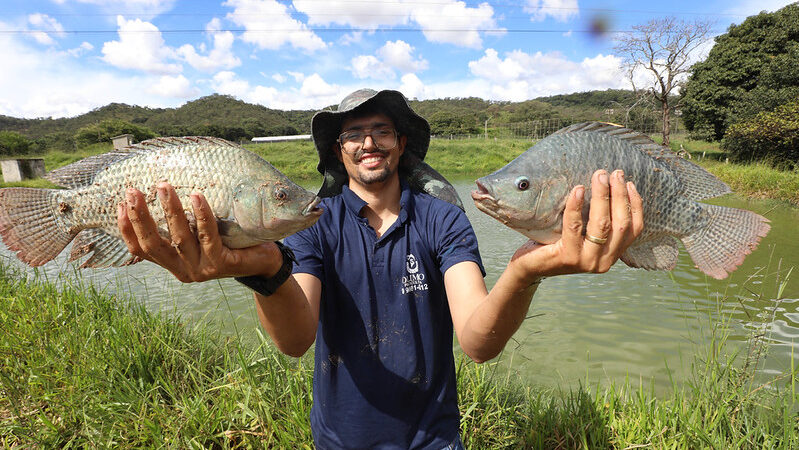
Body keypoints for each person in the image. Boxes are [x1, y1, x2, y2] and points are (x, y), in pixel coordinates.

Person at [118, 89, 643, 449]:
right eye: (354, 134)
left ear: (402, 144)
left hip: (433, 439)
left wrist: (526, 272)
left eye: (382, 130)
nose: (369, 142)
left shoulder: (444, 221)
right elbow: (296, 339)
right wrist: (264, 271)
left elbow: (478, 342)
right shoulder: (311, 227)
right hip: (339, 439)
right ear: (338, 151)